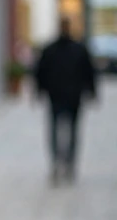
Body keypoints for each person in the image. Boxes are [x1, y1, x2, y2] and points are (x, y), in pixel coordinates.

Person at [35, 17, 99, 184]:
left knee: (62, 130)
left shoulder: (54, 49)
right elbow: (41, 71)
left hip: (62, 95)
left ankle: (63, 162)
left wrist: (39, 90)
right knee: (66, 130)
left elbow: (88, 72)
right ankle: (64, 162)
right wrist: (92, 91)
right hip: (67, 95)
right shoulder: (76, 49)